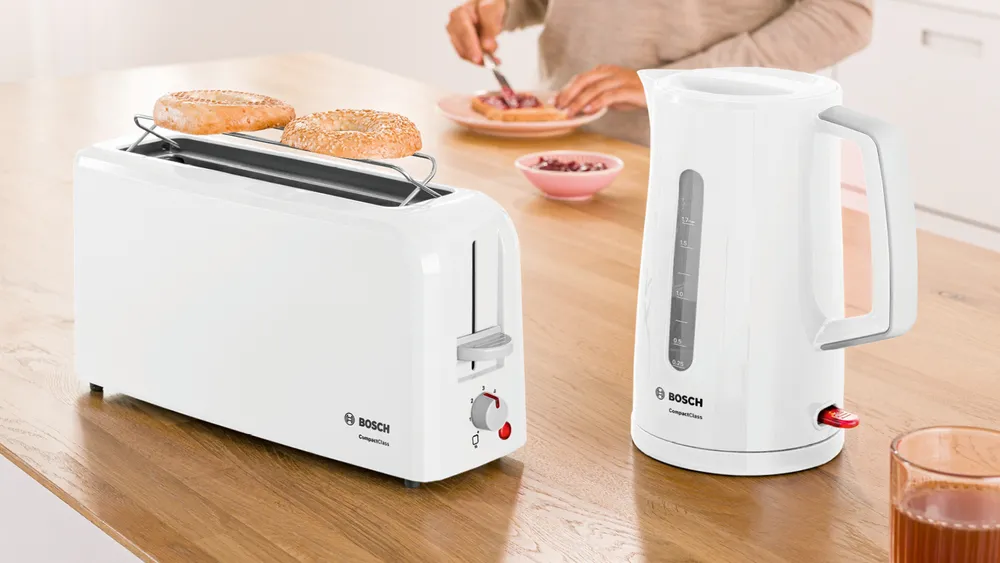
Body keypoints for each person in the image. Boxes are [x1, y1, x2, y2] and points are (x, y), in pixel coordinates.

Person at [447, 0, 873, 145]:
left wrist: (677, 83)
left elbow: (841, 16)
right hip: (562, 137)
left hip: (708, 155)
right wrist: (503, 6)